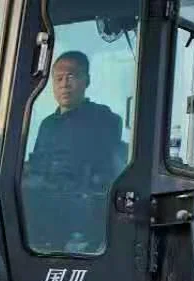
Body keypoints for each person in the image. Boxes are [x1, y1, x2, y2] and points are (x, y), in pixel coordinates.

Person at [26, 51, 124, 192]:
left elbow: (98, 168)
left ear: (87, 81)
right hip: (46, 195)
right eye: (59, 79)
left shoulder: (102, 118)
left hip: (82, 201)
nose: (64, 85)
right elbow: (37, 164)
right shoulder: (47, 125)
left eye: (71, 77)